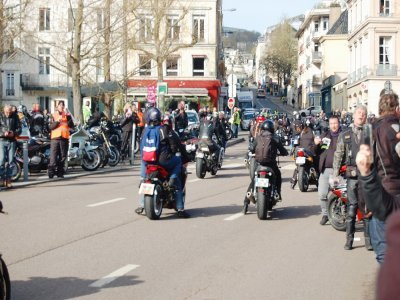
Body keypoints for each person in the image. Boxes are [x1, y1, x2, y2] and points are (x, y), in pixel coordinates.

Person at [357, 90, 400, 263]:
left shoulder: (372, 131)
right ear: (397, 109)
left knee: (384, 254)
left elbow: (365, 169)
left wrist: (364, 203)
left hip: (382, 198)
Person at [136, 107, 189, 218]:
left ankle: (141, 205)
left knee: (144, 179)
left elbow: (140, 147)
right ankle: (180, 208)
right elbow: (176, 146)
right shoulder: (164, 129)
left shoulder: (145, 130)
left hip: (147, 161)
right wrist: (184, 158)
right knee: (178, 163)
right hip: (162, 161)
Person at [333, 104, 370, 251]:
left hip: (367, 177)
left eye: (363, 113)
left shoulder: (370, 134)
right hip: (352, 177)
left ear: (366, 117)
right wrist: (335, 174)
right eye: (359, 113)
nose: (361, 115)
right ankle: (349, 240)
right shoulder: (345, 135)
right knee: (351, 208)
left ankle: (369, 241)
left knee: (366, 209)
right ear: (354, 116)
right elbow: (338, 155)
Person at [243, 119, 288, 213]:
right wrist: (284, 153)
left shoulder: (258, 137)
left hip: (260, 164)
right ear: (272, 129)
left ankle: (246, 203)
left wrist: (253, 152)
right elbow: (283, 150)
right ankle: (278, 194)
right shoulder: (274, 138)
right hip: (271, 165)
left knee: (253, 181)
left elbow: (251, 148)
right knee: (278, 176)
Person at [314, 116, 341, 225]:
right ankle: (325, 214)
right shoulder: (326, 136)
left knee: (340, 195)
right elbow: (318, 151)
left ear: (338, 124)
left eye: (335, 123)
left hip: (340, 170)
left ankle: (340, 214)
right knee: (322, 194)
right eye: (331, 123)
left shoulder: (343, 136)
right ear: (329, 125)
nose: (334, 125)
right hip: (326, 170)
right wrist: (316, 144)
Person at [48, 101, 74, 179]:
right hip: (55, 138)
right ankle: (51, 172)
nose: (62, 107)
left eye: (63, 105)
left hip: (64, 138)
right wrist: (57, 121)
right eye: (60, 105)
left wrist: (68, 116)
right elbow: (50, 127)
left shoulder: (66, 115)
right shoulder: (53, 115)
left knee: (63, 156)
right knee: (53, 157)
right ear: (57, 106)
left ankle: (60, 172)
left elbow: (71, 125)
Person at [0, 105, 22, 188]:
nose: (8, 113)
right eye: (7, 112)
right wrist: (3, 133)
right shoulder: (0, 116)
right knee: (1, 160)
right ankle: (2, 179)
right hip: (2, 140)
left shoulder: (15, 116)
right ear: (4, 110)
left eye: (10, 112)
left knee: (11, 161)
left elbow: (19, 128)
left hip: (12, 141)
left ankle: (8, 179)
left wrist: (14, 133)